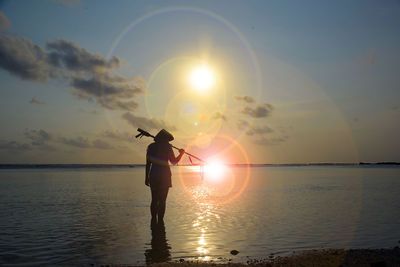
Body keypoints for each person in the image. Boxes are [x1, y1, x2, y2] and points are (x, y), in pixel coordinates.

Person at [145, 129, 185, 224]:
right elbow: (174, 162)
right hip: (165, 176)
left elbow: (148, 164)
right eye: (167, 140)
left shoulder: (151, 147)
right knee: (162, 201)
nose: (168, 141)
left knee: (154, 199)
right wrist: (181, 154)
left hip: (153, 175)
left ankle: (153, 220)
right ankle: (160, 222)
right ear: (165, 139)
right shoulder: (168, 147)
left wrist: (146, 178)